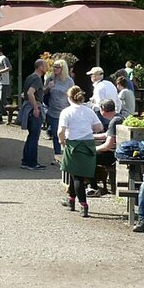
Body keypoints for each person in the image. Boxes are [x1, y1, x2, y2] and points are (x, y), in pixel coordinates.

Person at [57, 86, 103, 218]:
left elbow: (61, 131)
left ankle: (83, 205)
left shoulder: (67, 111)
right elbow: (99, 127)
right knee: (74, 173)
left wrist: (62, 142)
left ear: (69, 98)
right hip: (88, 144)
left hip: (74, 144)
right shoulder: (88, 111)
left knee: (77, 177)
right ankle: (71, 200)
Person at [19, 59, 48, 170]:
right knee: (34, 136)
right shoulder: (37, 78)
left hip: (28, 108)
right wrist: (36, 108)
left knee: (31, 136)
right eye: (45, 66)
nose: (47, 68)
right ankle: (32, 163)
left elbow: (26, 93)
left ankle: (26, 161)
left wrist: (47, 88)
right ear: (40, 67)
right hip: (33, 109)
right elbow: (30, 93)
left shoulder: (30, 77)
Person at [90, 99, 122, 196]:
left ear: (103, 110)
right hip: (116, 151)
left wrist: (94, 149)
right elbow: (107, 135)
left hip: (113, 154)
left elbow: (108, 145)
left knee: (89, 156)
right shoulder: (119, 117)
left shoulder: (114, 122)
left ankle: (93, 187)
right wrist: (90, 136)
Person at [43, 59, 74, 161]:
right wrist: (48, 87)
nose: (55, 69)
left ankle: (68, 154)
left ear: (63, 68)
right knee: (57, 134)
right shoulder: (50, 78)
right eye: (54, 67)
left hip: (65, 111)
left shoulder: (69, 81)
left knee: (67, 134)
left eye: (57, 67)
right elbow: (43, 92)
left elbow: (73, 96)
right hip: (53, 111)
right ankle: (57, 155)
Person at [0, 44, 12, 123]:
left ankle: (6, 113)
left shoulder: (4, 58)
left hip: (3, 82)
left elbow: (9, 68)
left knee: (2, 99)